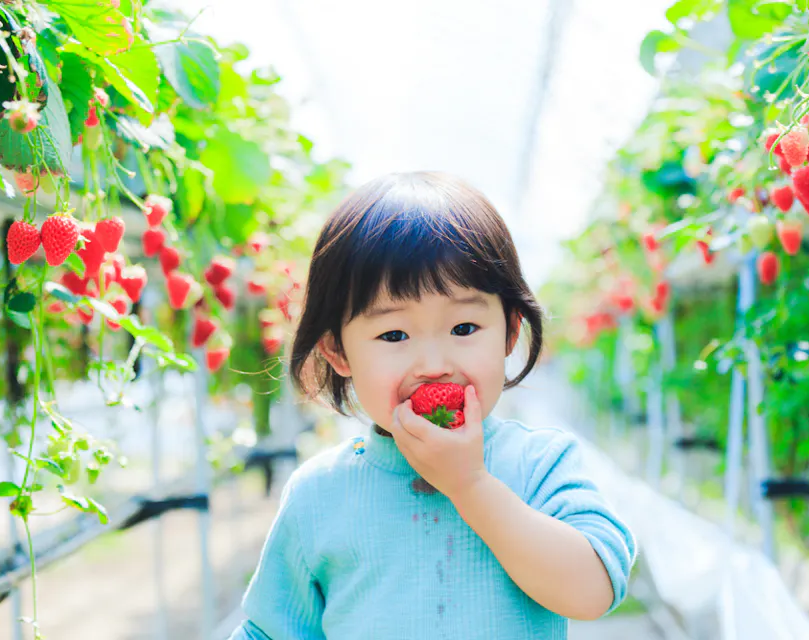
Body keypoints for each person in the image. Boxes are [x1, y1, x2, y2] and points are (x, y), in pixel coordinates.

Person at [229, 171, 636, 639]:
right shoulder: (319, 494)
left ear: (509, 331)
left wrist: (471, 485)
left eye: (463, 328)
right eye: (394, 334)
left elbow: (592, 592)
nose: (434, 364)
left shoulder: (538, 464)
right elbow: (270, 631)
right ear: (338, 353)